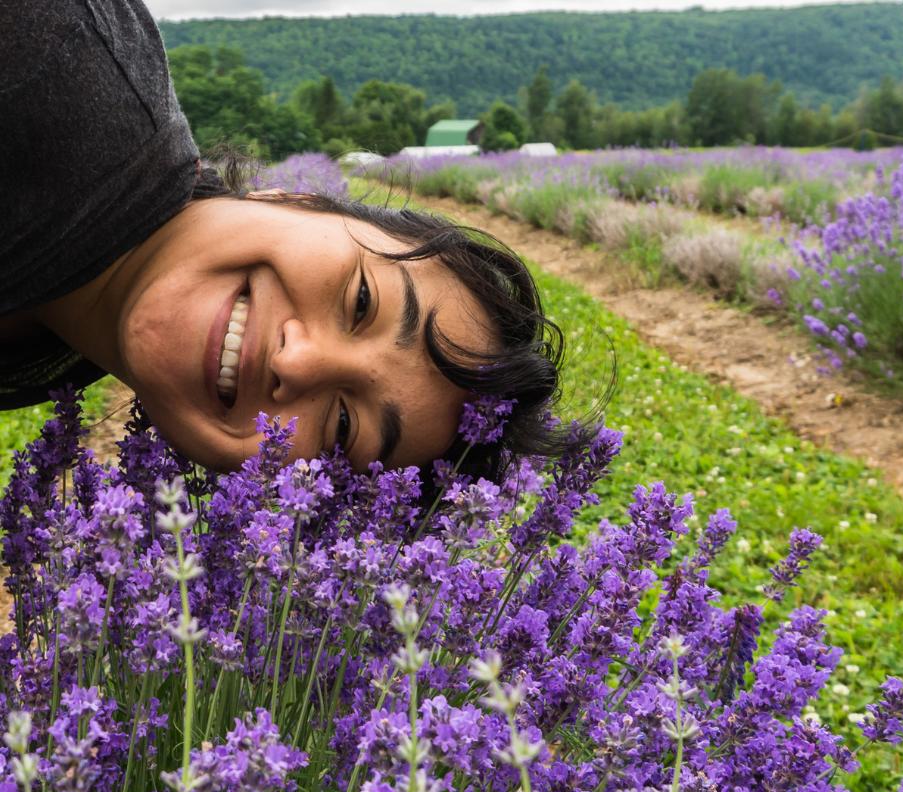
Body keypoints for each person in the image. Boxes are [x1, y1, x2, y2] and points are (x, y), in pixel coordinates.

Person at [0, 0, 577, 481]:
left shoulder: (61, 329)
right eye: (360, 303)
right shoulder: (43, 49)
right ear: (294, 198)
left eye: (343, 428)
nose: (296, 361)